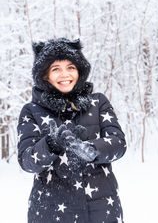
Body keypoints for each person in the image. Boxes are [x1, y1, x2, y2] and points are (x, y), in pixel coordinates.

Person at [17, 38, 126, 223]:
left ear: (80, 71)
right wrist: (50, 144)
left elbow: (118, 143)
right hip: (50, 212)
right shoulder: (31, 111)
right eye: (55, 69)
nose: (64, 74)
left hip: (101, 209)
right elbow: (27, 161)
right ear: (45, 75)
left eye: (71, 67)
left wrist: (92, 149)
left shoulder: (98, 102)